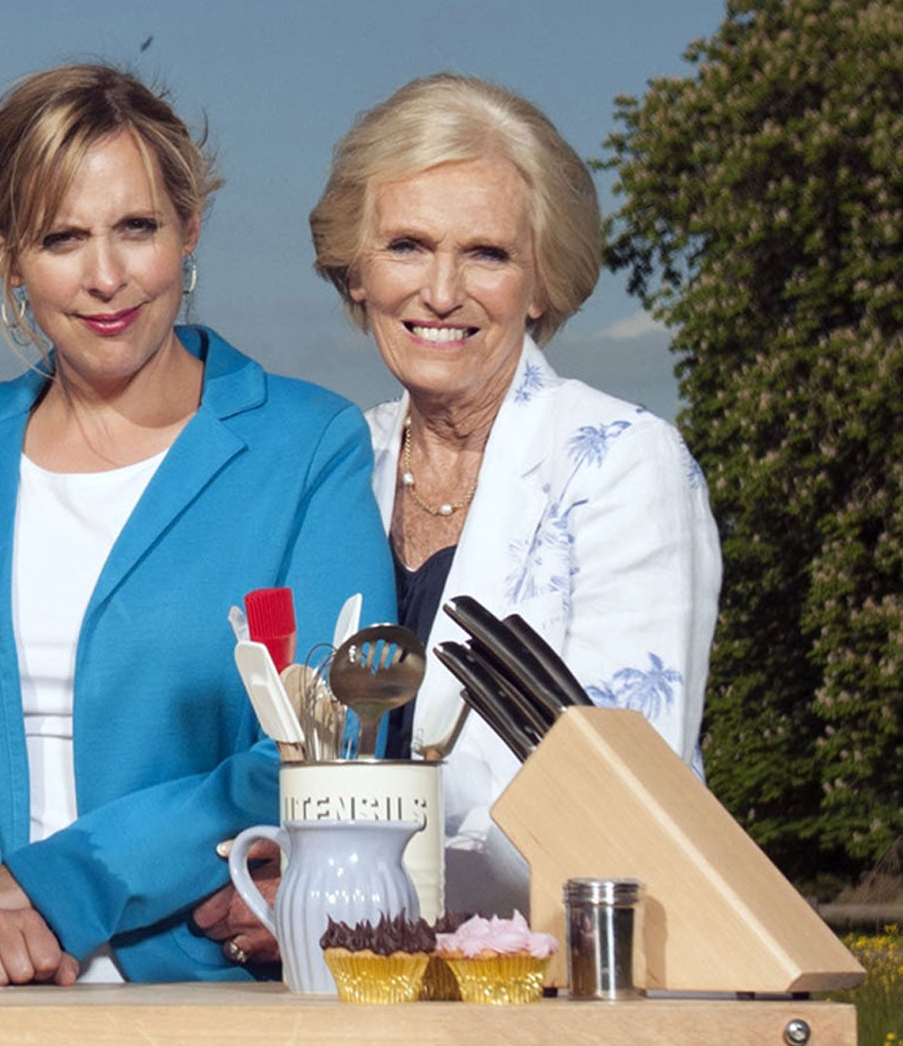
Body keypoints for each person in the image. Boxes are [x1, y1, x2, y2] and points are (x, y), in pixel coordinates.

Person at [0, 64, 393, 986]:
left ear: (188, 230)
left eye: (135, 228)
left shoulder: (309, 449)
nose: (105, 277)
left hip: (201, 1002)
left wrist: (57, 887)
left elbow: (329, 744)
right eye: (62, 238)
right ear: (6, 254)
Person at [306, 72, 720, 914]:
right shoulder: (338, 461)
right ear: (356, 272)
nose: (442, 291)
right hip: (351, 981)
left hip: (564, 992)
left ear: (542, 283)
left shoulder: (623, 466)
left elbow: (617, 812)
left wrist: (345, 877)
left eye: (486, 254)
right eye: (407, 246)